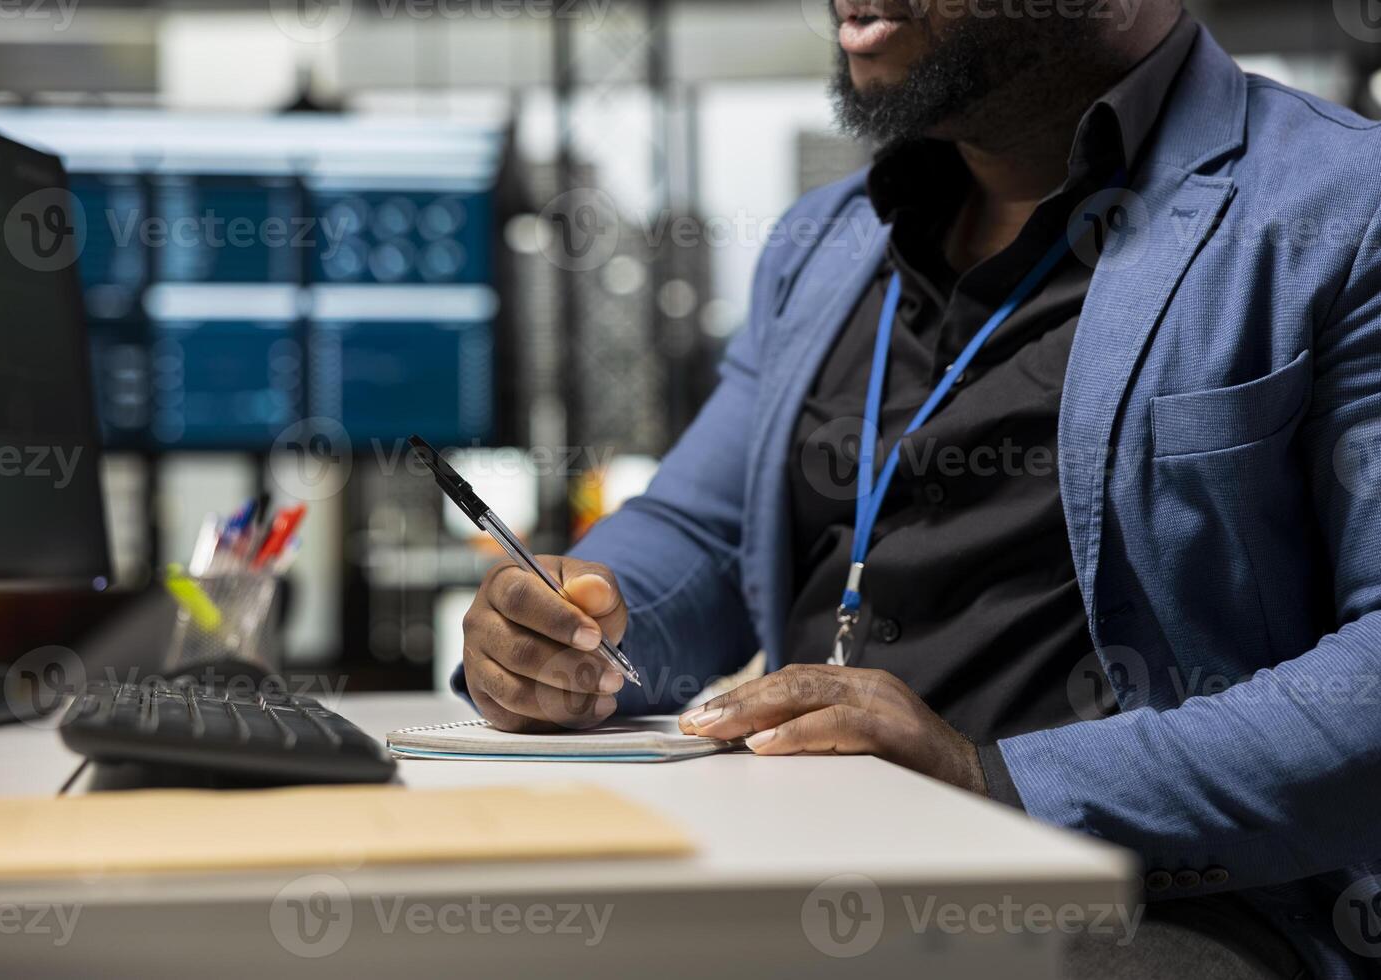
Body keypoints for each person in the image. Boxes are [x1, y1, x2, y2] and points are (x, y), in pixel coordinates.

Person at [458, 2, 1381, 975]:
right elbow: (704, 532)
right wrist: (566, 624)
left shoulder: (1339, 207)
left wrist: (989, 780)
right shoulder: (825, 240)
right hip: (804, 862)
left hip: (1157, 900)